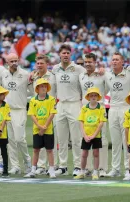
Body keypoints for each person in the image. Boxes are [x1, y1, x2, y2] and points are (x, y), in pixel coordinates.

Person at [52, 44, 85, 176]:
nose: (65, 55)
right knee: (61, 138)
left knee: (77, 138)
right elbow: (53, 88)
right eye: (63, 53)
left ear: (70, 55)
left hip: (74, 104)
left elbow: (85, 85)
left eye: (67, 53)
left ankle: (77, 166)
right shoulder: (55, 69)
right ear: (59, 55)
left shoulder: (78, 69)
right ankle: (63, 166)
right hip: (60, 104)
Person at [105, 52, 130, 178]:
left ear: (122, 62)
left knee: (127, 141)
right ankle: (115, 168)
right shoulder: (107, 75)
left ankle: (129, 170)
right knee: (115, 141)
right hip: (112, 108)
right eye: (113, 60)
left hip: (126, 108)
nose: (114, 61)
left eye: (117, 59)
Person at [1, 53, 32, 174]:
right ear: (7, 62)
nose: (14, 63)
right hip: (7, 110)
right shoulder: (3, 74)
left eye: (16, 60)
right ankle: (15, 165)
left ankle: (27, 162)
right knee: (11, 140)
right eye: (11, 61)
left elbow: (31, 91)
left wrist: (22, 95)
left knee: (20, 139)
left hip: (20, 110)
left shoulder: (25, 74)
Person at [79, 53, 109, 177]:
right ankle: (88, 168)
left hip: (99, 109)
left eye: (90, 62)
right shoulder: (81, 75)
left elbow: (107, 89)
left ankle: (102, 168)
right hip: (85, 110)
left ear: (95, 62)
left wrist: (105, 72)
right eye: (86, 62)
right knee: (86, 140)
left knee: (102, 140)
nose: (87, 64)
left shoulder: (101, 75)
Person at [29, 54, 58, 175]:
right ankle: (39, 166)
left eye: (42, 63)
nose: (40, 65)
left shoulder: (53, 75)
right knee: (37, 148)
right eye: (38, 63)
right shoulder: (33, 76)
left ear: (47, 64)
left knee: (51, 145)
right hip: (38, 108)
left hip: (51, 109)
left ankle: (53, 167)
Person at [25, 78, 57, 179]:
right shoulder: (33, 100)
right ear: (37, 89)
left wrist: (45, 127)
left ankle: (51, 169)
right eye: (41, 86)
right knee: (36, 150)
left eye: (45, 86)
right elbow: (32, 114)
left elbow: (52, 114)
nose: (43, 88)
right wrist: (39, 126)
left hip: (48, 129)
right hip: (36, 130)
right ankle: (33, 170)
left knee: (49, 150)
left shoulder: (51, 99)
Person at [74, 87, 107, 180]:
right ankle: (82, 172)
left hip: (96, 135)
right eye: (91, 95)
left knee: (96, 153)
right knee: (84, 154)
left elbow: (101, 123)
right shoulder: (84, 108)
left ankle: (95, 172)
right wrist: (84, 135)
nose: (93, 97)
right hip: (86, 136)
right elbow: (81, 121)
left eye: (95, 95)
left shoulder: (101, 108)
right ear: (88, 97)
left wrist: (94, 135)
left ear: (98, 97)